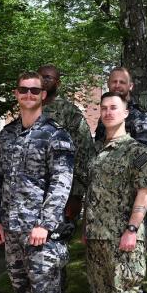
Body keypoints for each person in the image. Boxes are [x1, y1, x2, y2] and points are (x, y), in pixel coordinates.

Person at [0, 72, 75, 293]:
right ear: (17, 94)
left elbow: (61, 183)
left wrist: (45, 223)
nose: (28, 94)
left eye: (34, 90)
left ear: (43, 95)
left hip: (40, 234)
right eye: (23, 90)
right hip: (12, 231)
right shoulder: (8, 135)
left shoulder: (56, 135)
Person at [75, 92, 147, 293]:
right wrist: (86, 228)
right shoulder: (97, 151)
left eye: (114, 108)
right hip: (97, 237)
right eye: (104, 108)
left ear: (125, 113)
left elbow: (144, 192)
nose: (108, 113)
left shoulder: (137, 152)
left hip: (123, 238)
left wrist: (132, 229)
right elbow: (91, 194)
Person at [37, 64, 95, 222]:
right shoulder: (30, 107)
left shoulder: (69, 112)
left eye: (48, 77)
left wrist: (76, 194)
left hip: (60, 192)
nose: (43, 81)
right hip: (31, 192)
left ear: (58, 83)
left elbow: (84, 152)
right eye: (40, 77)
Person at [94, 67, 147, 149]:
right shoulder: (105, 116)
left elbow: (144, 153)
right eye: (114, 81)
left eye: (122, 82)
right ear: (108, 84)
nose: (117, 85)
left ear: (130, 86)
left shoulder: (141, 117)